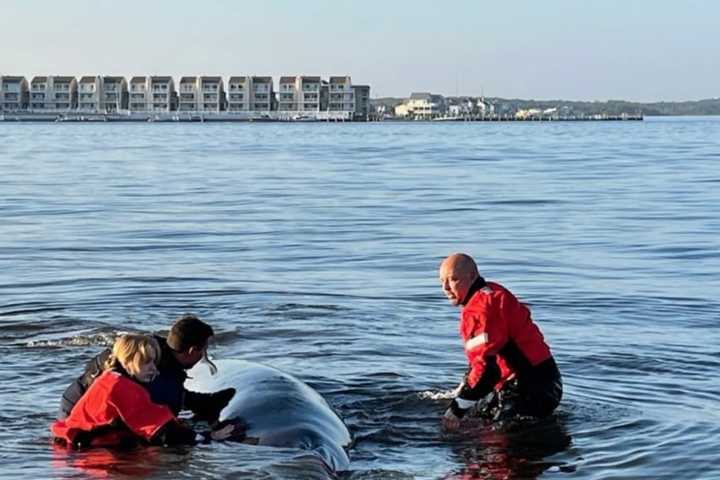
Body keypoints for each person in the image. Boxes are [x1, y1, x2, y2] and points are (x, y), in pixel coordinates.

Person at [51, 334, 240, 448]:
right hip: (84, 450)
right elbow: (162, 433)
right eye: (146, 362)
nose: (154, 369)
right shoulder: (123, 388)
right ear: (128, 362)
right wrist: (209, 437)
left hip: (75, 443)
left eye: (154, 362)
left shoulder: (111, 378)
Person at [438, 253, 562, 427]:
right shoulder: (490, 292)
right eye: (441, 281)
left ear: (472, 276)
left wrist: (456, 409)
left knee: (489, 441)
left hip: (531, 388)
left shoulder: (480, 310)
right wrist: (464, 388)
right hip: (544, 380)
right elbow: (483, 360)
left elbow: (488, 372)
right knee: (479, 416)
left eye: (453, 280)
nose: (445, 288)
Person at [59, 314, 233, 423]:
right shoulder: (159, 369)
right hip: (81, 415)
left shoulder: (147, 346)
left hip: (74, 400)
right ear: (192, 350)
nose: (204, 356)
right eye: (203, 350)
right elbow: (163, 417)